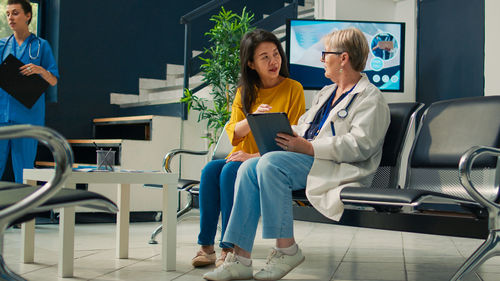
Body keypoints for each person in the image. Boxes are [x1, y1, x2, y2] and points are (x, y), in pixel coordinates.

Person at [203, 27, 390, 281]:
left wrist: (309, 147)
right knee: (249, 167)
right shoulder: (327, 93)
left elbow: (360, 146)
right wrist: (276, 127)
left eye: (326, 54)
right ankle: (240, 257)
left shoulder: (370, 98)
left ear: (343, 58)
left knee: (269, 164)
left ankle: (286, 249)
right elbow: (304, 127)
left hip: (338, 167)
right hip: (311, 160)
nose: (322, 59)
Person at [192, 29, 305, 268]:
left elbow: (294, 138)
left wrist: (251, 156)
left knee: (229, 171)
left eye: (276, 54)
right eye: (264, 57)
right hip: (244, 156)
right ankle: (205, 246)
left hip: (269, 161)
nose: (274, 61)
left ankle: (228, 247)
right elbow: (233, 132)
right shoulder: (244, 92)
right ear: (251, 64)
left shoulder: (293, 89)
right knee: (210, 170)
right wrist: (251, 119)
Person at [0, 0, 59, 183]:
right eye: (8, 14)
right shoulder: (2, 45)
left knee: (25, 172)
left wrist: (40, 70)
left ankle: (27, 212)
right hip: (2, 117)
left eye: (15, 13)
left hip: (27, 119)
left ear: (28, 16)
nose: (11, 18)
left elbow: (53, 80)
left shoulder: (41, 46)